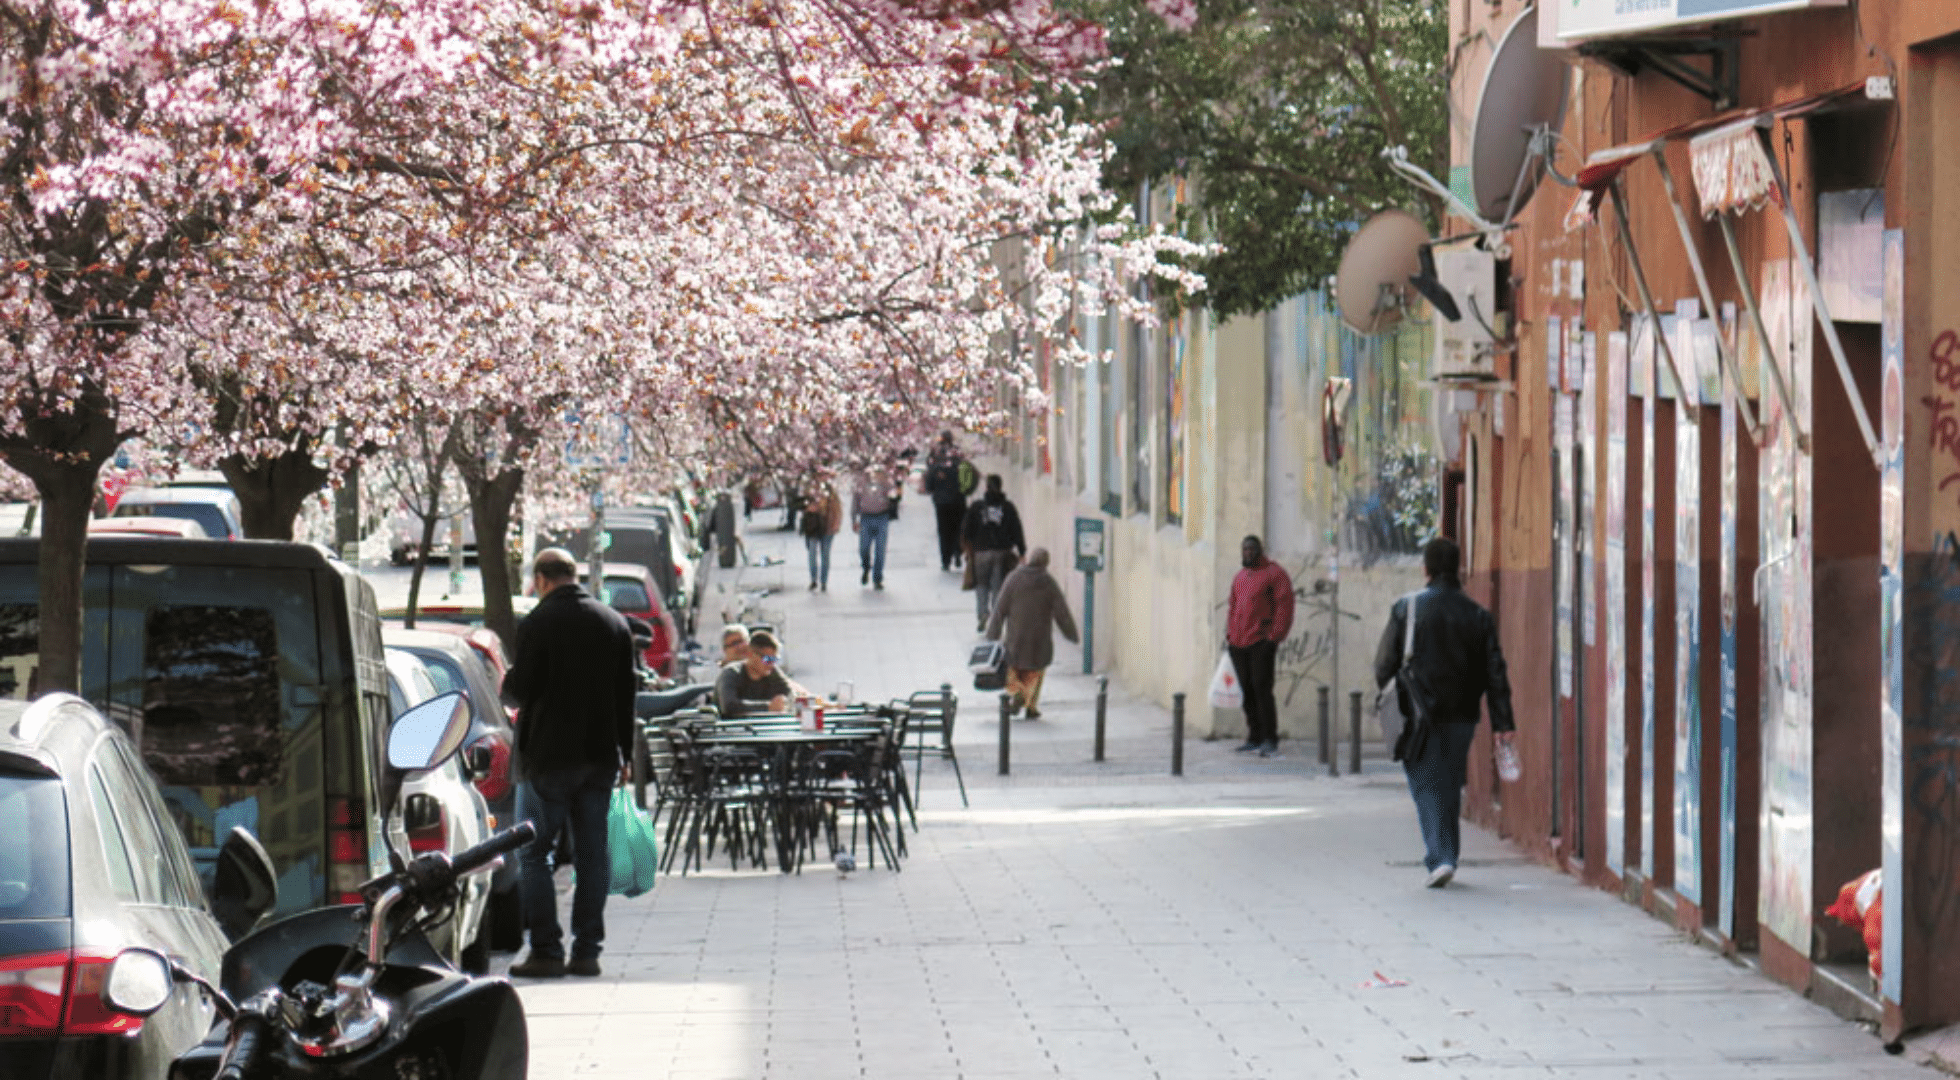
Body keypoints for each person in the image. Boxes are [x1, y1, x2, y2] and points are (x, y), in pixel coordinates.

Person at [502, 548, 637, 979]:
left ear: (542, 579)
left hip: (547, 758)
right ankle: (587, 951)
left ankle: (546, 949)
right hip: (599, 758)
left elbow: (518, 691)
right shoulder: (613, 623)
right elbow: (626, 697)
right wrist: (626, 753)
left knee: (534, 854)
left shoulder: (537, 623)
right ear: (573, 574)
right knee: (592, 857)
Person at [1372, 536, 1516, 889]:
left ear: (1426, 569)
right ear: (1458, 569)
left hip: (1419, 712)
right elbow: (1495, 673)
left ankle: (1440, 857)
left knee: (1424, 782)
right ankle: (1446, 853)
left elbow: (1383, 665)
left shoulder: (1406, 609)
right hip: (1463, 715)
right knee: (1449, 780)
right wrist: (1503, 723)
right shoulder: (1479, 616)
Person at [984, 548, 1078, 720]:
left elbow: (1000, 608)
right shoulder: (1048, 583)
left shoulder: (1013, 578)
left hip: (1016, 637)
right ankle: (1031, 706)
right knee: (1036, 674)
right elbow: (1061, 612)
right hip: (1039, 639)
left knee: (1013, 671)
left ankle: (1017, 693)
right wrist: (1071, 633)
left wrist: (992, 634)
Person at [1226, 535, 1295, 758]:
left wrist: (1274, 637)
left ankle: (1269, 737)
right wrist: (1230, 634)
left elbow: (1284, 606)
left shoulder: (1275, 574)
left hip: (1261, 642)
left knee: (1261, 688)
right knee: (1245, 690)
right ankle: (1254, 735)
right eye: (1244, 549)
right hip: (1238, 642)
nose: (1248, 553)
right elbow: (1232, 606)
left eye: (1252, 549)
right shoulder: (1239, 577)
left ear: (1260, 551)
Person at [962, 474, 1026, 632]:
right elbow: (1017, 529)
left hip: (981, 553)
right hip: (1001, 552)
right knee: (998, 587)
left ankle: (983, 613)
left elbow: (966, 530)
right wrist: (1022, 551)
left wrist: (967, 549)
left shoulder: (977, 507)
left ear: (986, 487)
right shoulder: (1008, 507)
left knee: (981, 586)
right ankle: (996, 622)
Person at [715, 629, 794, 717]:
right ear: (750, 654)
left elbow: (790, 695)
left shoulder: (772, 672)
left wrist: (785, 702)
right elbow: (729, 706)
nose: (771, 664)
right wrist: (768, 707)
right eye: (767, 659)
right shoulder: (731, 673)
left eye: (774, 659)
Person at [925, 432, 969, 572]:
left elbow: (930, 477)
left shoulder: (936, 456)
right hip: (958, 499)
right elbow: (967, 474)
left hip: (941, 501)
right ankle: (957, 552)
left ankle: (946, 560)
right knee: (958, 527)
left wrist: (932, 488)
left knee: (944, 530)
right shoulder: (959, 455)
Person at [851, 468, 897, 589]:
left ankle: (877, 578)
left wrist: (888, 484)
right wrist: (854, 519)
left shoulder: (886, 482)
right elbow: (855, 502)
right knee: (863, 548)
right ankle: (866, 567)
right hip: (865, 518)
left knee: (880, 550)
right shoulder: (860, 484)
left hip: (882, 517)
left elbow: (894, 496)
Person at [800, 475, 842, 591]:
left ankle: (823, 581)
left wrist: (836, 524)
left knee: (825, 555)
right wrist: (808, 508)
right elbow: (802, 505)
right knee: (812, 553)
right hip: (813, 528)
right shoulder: (809, 491)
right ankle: (813, 579)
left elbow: (837, 508)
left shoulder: (830, 492)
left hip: (828, 527)